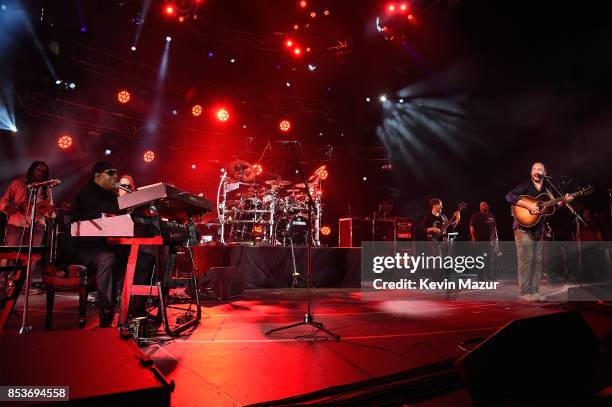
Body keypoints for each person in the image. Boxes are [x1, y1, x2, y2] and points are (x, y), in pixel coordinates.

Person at [70, 161, 153, 327]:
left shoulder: (111, 195)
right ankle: (106, 315)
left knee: (145, 259)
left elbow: (119, 215)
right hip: (88, 248)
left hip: (110, 246)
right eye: (111, 173)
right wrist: (131, 203)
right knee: (108, 260)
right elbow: (104, 211)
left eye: (116, 172)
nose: (115, 176)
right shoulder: (87, 192)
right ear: (97, 175)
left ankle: (136, 311)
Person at [506, 162, 573, 301]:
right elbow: (509, 196)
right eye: (534, 169)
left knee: (538, 261)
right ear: (531, 172)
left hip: (538, 229)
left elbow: (550, 210)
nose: (537, 171)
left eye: (540, 169)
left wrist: (562, 202)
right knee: (526, 259)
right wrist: (527, 205)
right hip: (522, 226)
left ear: (545, 173)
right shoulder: (525, 185)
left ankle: (534, 292)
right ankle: (524, 293)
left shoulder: (548, 189)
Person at [0, 161, 55, 246]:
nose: (40, 173)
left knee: (32, 256)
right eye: (38, 170)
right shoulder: (18, 184)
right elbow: (3, 200)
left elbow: (49, 209)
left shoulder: (46, 189)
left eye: (43, 172)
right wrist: (7, 208)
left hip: (37, 225)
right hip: (16, 224)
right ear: (32, 170)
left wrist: (50, 211)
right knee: (12, 254)